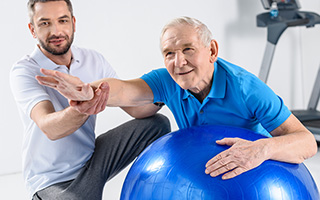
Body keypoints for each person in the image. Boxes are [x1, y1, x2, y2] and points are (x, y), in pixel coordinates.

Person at [36, 16, 318, 182]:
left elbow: (306, 142)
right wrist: (89, 90)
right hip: (200, 171)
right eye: (169, 53)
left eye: (187, 49)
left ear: (212, 50)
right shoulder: (168, 80)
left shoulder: (247, 89)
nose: (178, 61)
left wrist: (261, 149)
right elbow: (122, 89)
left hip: (252, 174)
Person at [10, 0, 171, 199]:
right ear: (32, 29)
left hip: (93, 161)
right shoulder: (25, 70)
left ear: (73, 23)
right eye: (45, 23)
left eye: (62, 20)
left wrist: (167, 90)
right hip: (53, 180)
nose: (56, 31)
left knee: (158, 124)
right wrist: (83, 106)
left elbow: (135, 109)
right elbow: (50, 128)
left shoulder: (93, 60)